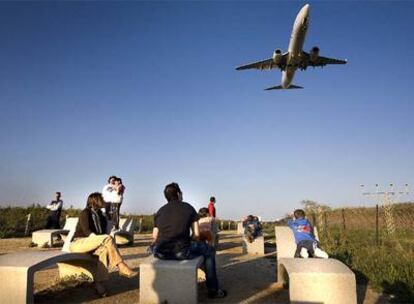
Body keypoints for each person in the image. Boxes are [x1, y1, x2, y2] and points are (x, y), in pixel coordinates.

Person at [150, 183, 227, 299]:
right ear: (178, 194)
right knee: (209, 251)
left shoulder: (160, 211)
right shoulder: (188, 208)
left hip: (160, 252)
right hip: (181, 251)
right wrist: (189, 240)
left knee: (153, 247)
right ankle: (213, 290)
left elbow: (154, 236)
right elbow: (196, 235)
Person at [70, 192, 137, 297]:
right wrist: (100, 240)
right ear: (95, 200)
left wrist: (109, 218)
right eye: (101, 198)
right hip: (79, 242)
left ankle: (98, 283)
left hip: (94, 243)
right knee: (107, 238)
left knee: (104, 251)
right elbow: (87, 231)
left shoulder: (101, 215)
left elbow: (104, 231)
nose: (104, 200)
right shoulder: (85, 213)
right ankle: (121, 265)